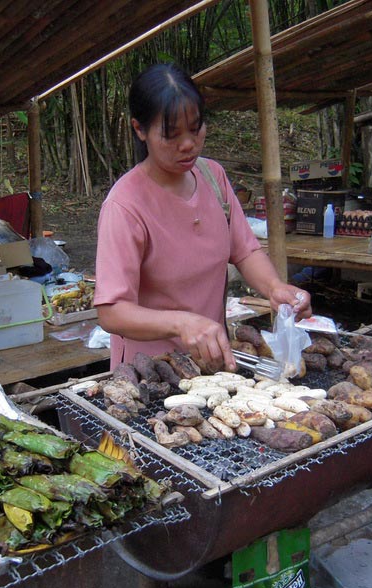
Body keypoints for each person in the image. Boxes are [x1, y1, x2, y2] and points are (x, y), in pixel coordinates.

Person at [94, 63, 312, 372]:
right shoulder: (125, 205)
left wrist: (274, 287)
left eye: (195, 128)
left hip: (211, 364)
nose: (188, 144)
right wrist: (182, 323)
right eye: (171, 134)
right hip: (151, 374)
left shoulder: (213, 177)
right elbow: (112, 311)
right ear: (140, 130)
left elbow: (245, 251)